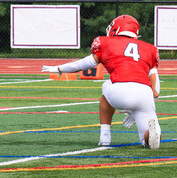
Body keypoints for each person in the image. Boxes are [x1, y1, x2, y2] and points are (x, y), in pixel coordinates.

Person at [42, 15, 161, 149]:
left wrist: (60, 68)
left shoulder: (106, 42)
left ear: (116, 28)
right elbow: (155, 82)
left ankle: (105, 137)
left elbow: (82, 65)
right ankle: (152, 133)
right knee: (148, 138)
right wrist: (153, 95)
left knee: (106, 85)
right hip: (144, 93)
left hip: (119, 90)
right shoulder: (150, 48)